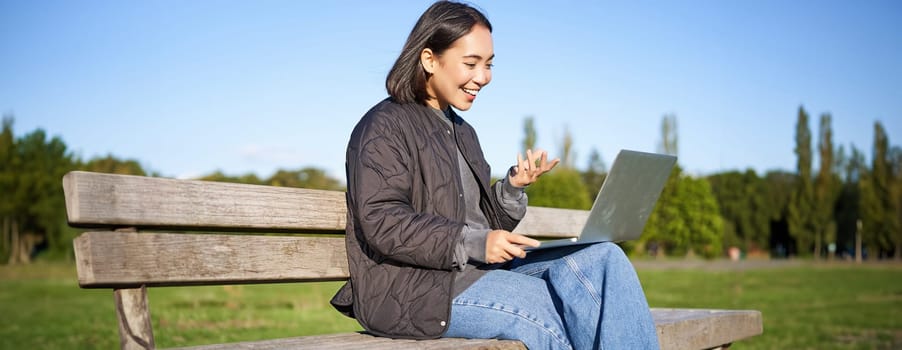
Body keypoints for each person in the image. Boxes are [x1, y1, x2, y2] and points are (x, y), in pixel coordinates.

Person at [330, 1, 660, 349]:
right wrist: (474, 243)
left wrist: (512, 189)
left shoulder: (462, 131)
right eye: (471, 63)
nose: (483, 77)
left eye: (488, 65)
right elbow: (382, 220)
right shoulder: (384, 125)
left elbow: (477, 223)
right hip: (415, 290)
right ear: (429, 59)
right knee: (547, 310)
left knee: (603, 258)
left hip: (472, 273)